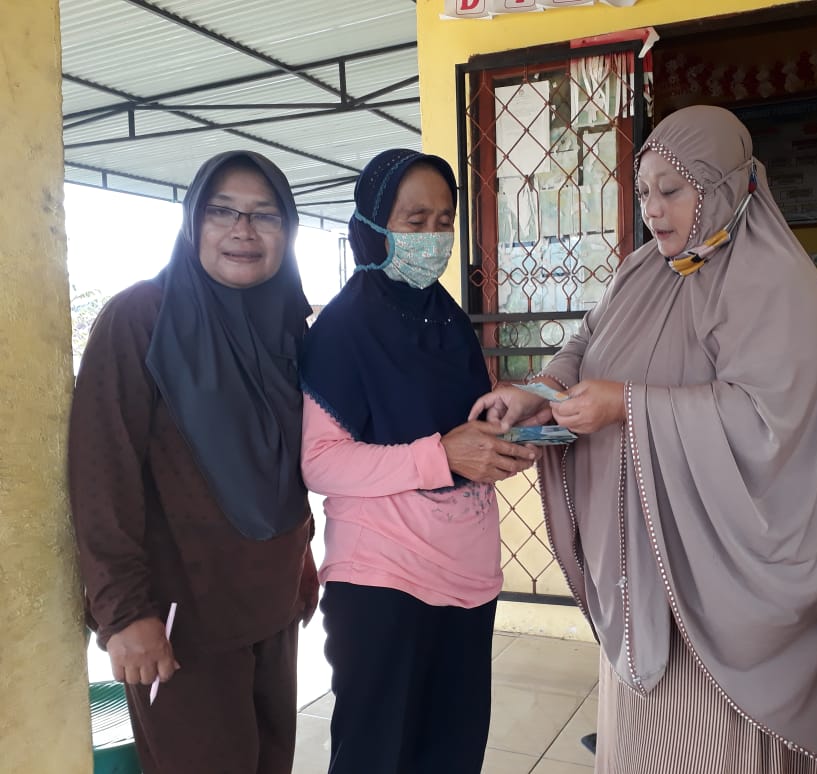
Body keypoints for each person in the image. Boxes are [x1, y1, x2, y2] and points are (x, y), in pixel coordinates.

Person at [469, 105, 817, 773]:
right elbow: (588, 341)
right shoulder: (643, 269)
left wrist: (626, 404)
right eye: (645, 191)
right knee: (641, 740)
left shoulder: (776, 285)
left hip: (717, 566)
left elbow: (767, 422)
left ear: (725, 186)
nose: (653, 209)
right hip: (638, 560)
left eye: (673, 190)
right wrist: (543, 388)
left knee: (708, 745)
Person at [69, 150, 318, 774]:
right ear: (192, 223)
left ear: (287, 230)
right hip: (180, 624)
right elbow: (101, 472)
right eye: (222, 211)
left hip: (272, 606)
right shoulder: (142, 318)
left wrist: (302, 558)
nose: (243, 230)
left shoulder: (290, 328)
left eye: (265, 215)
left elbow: (287, 466)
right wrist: (124, 613)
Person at [298, 148, 539, 774]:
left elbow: (458, 430)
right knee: (379, 756)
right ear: (373, 225)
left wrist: (500, 440)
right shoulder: (344, 328)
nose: (434, 238)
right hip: (384, 579)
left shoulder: (446, 318)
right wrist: (441, 455)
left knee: (452, 753)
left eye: (444, 221)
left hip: (465, 571)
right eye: (415, 221)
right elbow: (321, 463)